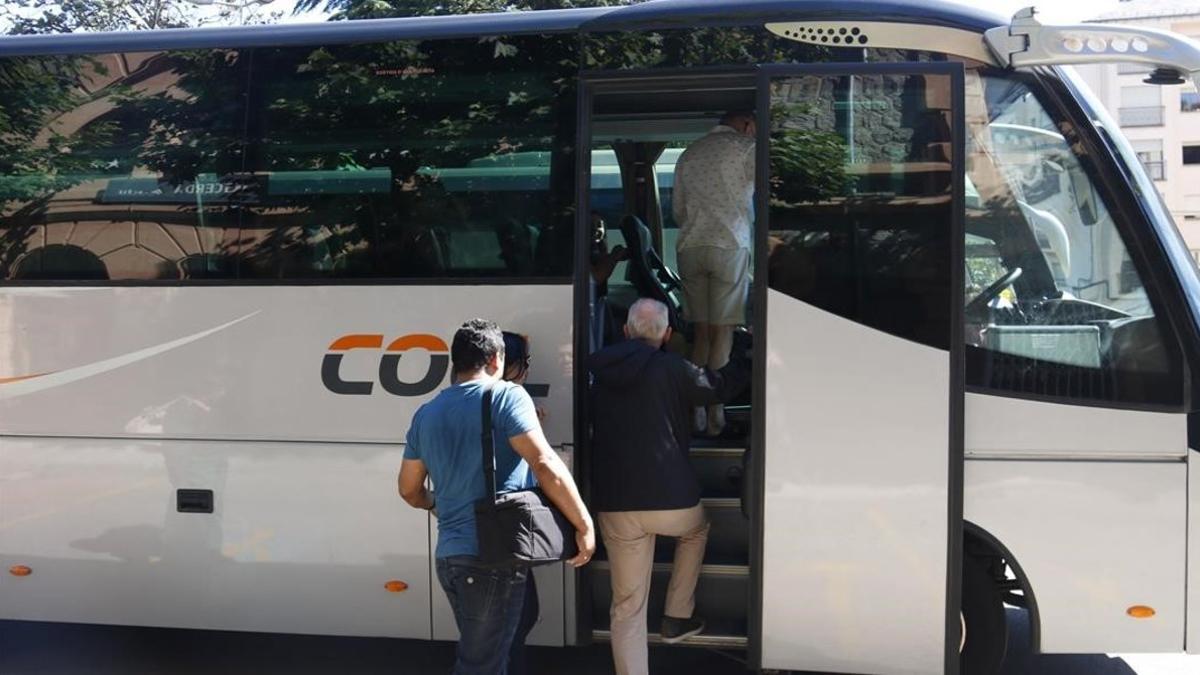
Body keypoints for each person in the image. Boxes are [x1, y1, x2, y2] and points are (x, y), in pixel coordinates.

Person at [399, 319, 596, 675]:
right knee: (482, 665)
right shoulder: (507, 395)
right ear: (494, 359)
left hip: (450, 558)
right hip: (490, 558)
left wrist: (437, 504)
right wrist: (583, 524)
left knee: (491, 656)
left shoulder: (425, 414)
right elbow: (544, 463)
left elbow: (409, 490)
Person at [587, 298, 750, 675]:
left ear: (625, 331)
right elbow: (719, 387)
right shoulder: (673, 368)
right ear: (668, 335)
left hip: (616, 504)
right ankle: (677, 616)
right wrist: (743, 349)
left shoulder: (597, 371)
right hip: (672, 500)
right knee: (697, 530)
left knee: (627, 604)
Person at [672, 110, 756, 436]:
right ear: (747, 125)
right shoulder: (746, 149)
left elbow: (678, 209)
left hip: (690, 248)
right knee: (723, 332)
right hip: (729, 244)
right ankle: (715, 411)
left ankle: (696, 411)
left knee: (702, 332)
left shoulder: (688, 154)